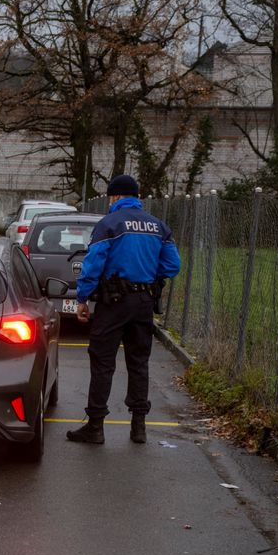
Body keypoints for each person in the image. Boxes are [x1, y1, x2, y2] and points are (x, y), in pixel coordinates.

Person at [67, 174, 181, 445]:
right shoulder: (158, 226)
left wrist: (83, 298)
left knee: (103, 361)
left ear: (116, 196)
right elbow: (172, 265)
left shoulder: (110, 224)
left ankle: (95, 427)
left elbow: (93, 265)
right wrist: (149, 277)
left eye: (110, 198)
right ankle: (138, 427)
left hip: (113, 303)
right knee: (139, 363)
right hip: (143, 303)